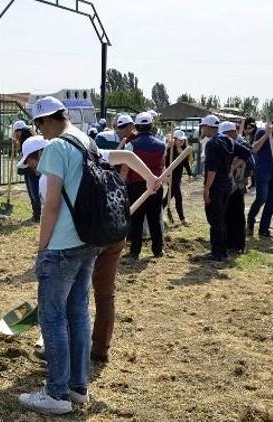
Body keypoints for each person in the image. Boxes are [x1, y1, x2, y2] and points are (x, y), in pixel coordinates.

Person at [26, 133, 160, 366]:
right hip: (113, 230)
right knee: (104, 294)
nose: (32, 168)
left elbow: (52, 213)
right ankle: (99, 349)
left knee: (71, 297)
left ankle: (61, 349)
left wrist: (44, 251)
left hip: (85, 237)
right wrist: (150, 178)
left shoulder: (48, 178)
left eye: (31, 162)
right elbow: (127, 156)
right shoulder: (88, 154)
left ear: (40, 155)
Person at [18, 96, 102, 414]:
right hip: (89, 240)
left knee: (52, 317)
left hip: (63, 244)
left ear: (48, 120)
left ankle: (56, 394)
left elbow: (50, 204)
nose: (40, 132)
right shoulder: (87, 141)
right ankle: (78, 388)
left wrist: (42, 250)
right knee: (78, 312)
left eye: (39, 124)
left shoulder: (56, 148)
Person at [120, 112, 165, 261]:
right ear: (151, 126)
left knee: (137, 220)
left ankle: (135, 252)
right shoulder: (161, 145)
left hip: (136, 186)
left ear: (137, 126)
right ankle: (158, 249)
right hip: (156, 185)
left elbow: (125, 169)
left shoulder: (131, 145)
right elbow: (161, 166)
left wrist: (120, 185)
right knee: (155, 218)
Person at [202, 121, 237, 261]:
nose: (202, 129)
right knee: (221, 218)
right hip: (226, 183)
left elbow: (212, 170)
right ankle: (222, 250)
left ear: (209, 127)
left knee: (214, 219)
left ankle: (217, 252)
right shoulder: (228, 140)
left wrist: (206, 189)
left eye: (204, 126)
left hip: (216, 186)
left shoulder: (212, 144)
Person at [225, 123, 253, 255]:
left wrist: (232, 169)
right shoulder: (232, 142)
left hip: (237, 184)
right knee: (228, 213)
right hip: (230, 184)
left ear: (230, 132)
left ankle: (238, 244)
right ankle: (230, 243)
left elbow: (247, 161)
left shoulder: (242, 143)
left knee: (236, 214)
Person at [162, 130, 192, 226]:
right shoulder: (169, 149)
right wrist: (166, 174)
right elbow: (164, 162)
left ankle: (157, 212)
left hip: (178, 176)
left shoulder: (183, 149)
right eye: (180, 140)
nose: (182, 142)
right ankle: (182, 219)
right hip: (171, 176)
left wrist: (189, 174)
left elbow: (186, 163)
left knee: (169, 197)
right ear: (174, 140)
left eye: (183, 140)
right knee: (178, 197)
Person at [13, 121, 41, 222]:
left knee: (34, 192)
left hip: (32, 170)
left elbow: (33, 158)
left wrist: (35, 170)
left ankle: (38, 215)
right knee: (31, 192)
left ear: (20, 131)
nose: (15, 134)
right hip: (28, 169)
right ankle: (36, 213)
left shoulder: (29, 141)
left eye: (16, 132)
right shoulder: (24, 139)